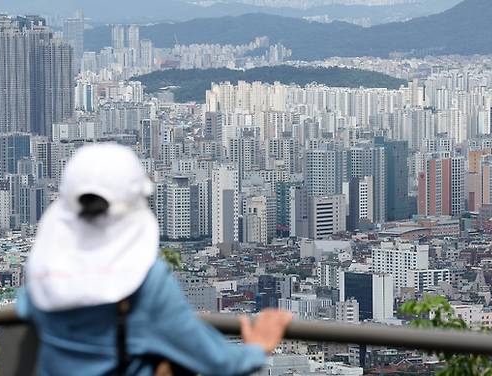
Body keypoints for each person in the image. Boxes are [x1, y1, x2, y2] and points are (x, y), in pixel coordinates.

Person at [16, 143, 292, 375]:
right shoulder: (145, 285)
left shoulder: (46, 271)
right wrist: (256, 349)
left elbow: (26, 307)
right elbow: (215, 360)